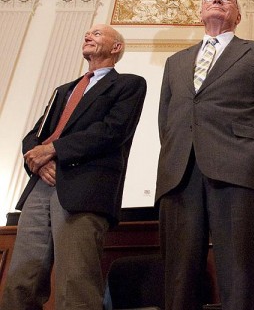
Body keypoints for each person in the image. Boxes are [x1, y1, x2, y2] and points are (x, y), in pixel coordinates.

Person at [155, 0, 254, 310]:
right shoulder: (175, 61)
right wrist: (179, 154)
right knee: (179, 279)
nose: (217, 0)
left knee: (238, 276)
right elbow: (166, 121)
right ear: (200, 13)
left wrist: (250, 164)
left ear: (238, 15)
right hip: (179, 175)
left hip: (235, 172)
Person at [0, 24, 147, 310]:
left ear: (116, 47)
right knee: (21, 279)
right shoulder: (63, 90)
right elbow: (36, 133)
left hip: (85, 187)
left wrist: (54, 150)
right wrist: (39, 163)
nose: (88, 36)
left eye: (97, 34)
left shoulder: (129, 84)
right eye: (87, 34)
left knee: (75, 282)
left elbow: (113, 130)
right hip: (41, 186)